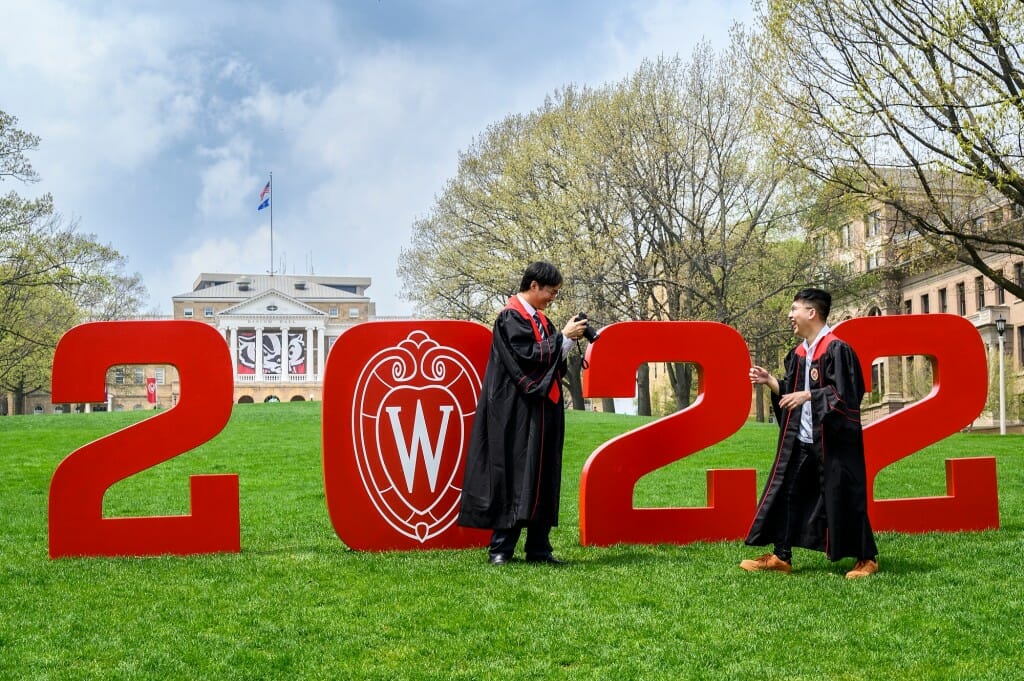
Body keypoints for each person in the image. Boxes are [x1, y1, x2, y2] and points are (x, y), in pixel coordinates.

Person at [741, 288, 879, 579]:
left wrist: (808, 396)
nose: (790, 316)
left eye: (795, 309)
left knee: (844, 496)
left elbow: (847, 396)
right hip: (802, 441)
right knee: (787, 494)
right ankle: (782, 556)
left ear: (812, 313)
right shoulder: (799, 354)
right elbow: (793, 395)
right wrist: (771, 382)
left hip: (834, 442)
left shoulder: (837, 349)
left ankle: (867, 558)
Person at [457, 261, 588, 565]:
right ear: (533, 286)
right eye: (550, 291)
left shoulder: (542, 321)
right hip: (514, 413)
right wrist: (564, 339)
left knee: (543, 475)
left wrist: (566, 341)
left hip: (543, 411)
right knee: (513, 476)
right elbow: (526, 359)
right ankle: (501, 549)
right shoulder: (509, 318)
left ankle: (539, 549)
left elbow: (554, 362)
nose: (553, 297)